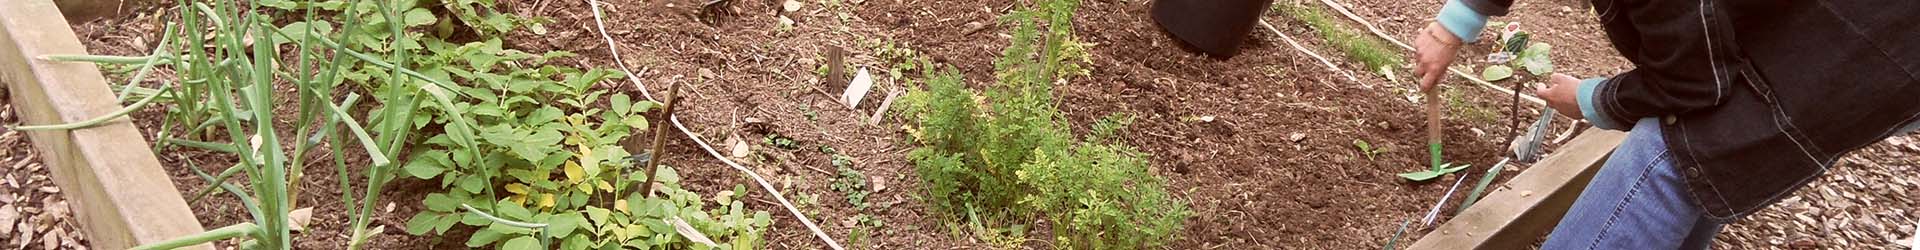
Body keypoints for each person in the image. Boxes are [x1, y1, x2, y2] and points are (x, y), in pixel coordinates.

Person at [1410, 0, 1920, 248]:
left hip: (1872, 46)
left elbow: (1693, 83)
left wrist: (1592, 98)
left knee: (1678, 150)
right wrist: (1455, 21)